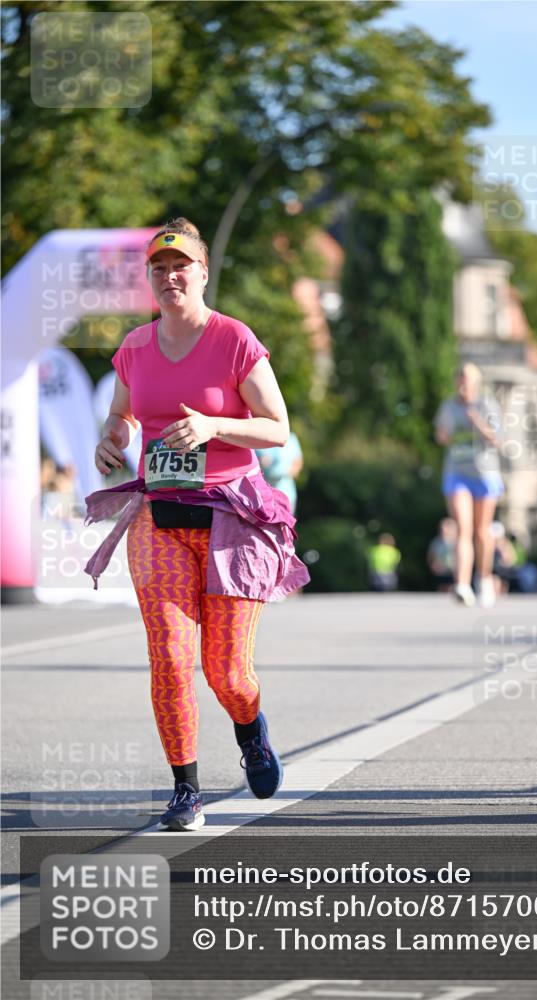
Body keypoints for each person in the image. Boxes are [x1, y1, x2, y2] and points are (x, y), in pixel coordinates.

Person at [90, 218, 309, 831]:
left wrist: (215, 427)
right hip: (159, 517)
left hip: (232, 518)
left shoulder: (234, 341)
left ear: (203, 272)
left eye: (180, 265)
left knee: (227, 672)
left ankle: (252, 731)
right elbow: (121, 415)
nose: (168, 277)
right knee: (169, 655)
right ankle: (186, 790)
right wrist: (112, 439)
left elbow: (277, 428)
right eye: (158, 269)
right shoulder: (135, 347)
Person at [434, 363, 504, 607]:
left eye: (469, 378)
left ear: (477, 382)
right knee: (462, 529)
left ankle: (484, 578)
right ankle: (462, 584)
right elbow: (441, 435)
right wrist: (444, 435)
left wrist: (477, 421)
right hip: (457, 472)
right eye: (461, 377)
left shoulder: (487, 405)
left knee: (481, 530)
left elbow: (496, 439)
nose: (464, 382)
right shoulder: (448, 406)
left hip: (484, 473)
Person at [256, 431, 304, 514]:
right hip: (262, 494)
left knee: (286, 524)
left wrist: (285, 473)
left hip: (286, 492)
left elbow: (298, 462)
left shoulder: (291, 438)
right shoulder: (258, 436)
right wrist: (260, 463)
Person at [426, 517, 458, 592]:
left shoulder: (458, 542)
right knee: (442, 588)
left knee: (453, 587)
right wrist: (432, 565)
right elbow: (431, 555)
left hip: (454, 570)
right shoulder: (436, 542)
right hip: (441, 570)